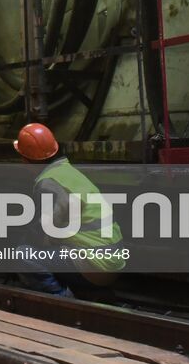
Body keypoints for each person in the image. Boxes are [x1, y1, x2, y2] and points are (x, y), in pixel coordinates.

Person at [11, 122, 125, 297]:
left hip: (96, 264)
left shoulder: (49, 182)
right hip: (113, 259)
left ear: (24, 159)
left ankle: (62, 301)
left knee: (23, 255)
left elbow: (41, 230)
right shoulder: (68, 173)